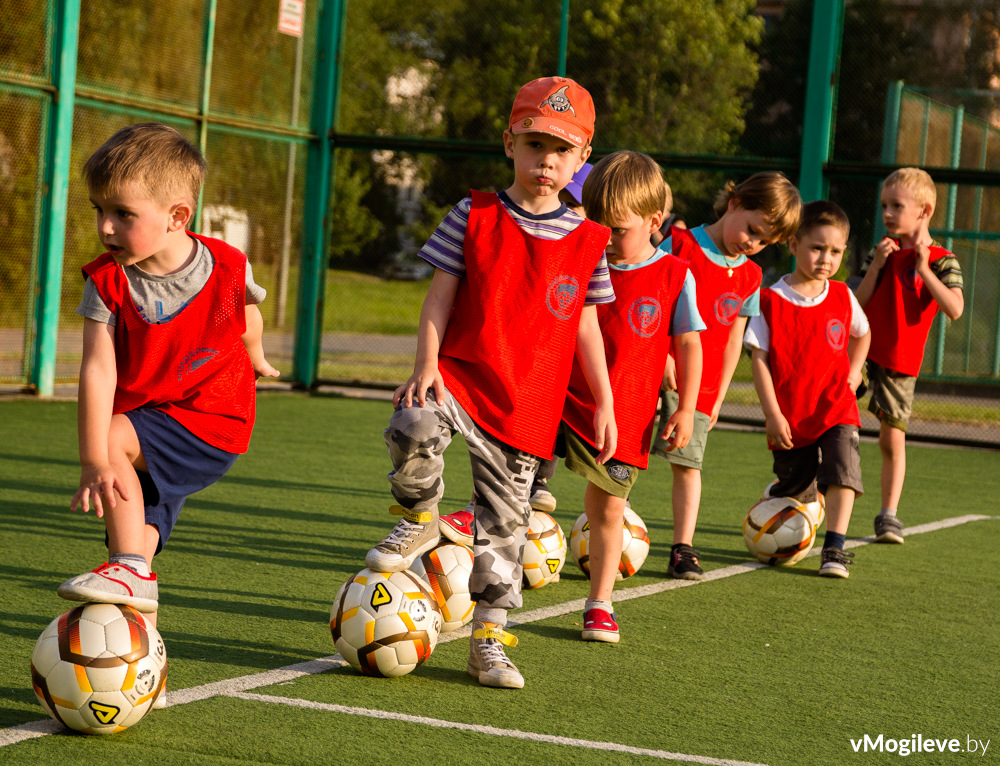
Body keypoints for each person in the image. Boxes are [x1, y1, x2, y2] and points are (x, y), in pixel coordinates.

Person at [365, 76, 617, 689]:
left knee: (505, 532)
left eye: (562, 149)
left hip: (528, 406)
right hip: (462, 380)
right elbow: (438, 299)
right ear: (509, 143)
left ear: (583, 159)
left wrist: (604, 400)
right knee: (412, 422)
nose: (546, 160)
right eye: (534, 144)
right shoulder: (472, 213)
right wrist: (426, 365)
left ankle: (488, 641)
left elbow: (586, 327)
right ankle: (422, 515)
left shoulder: (589, 241)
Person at [58, 123, 274, 713]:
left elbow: (246, 312)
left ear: (178, 216)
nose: (105, 227)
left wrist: (255, 356)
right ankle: (140, 644)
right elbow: (98, 371)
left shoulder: (228, 265)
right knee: (134, 523)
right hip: (153, 412)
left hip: (213, 418)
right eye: (99, 210)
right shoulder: (107, 284)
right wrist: (94, 460)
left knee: (114, 449)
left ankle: (132, 570)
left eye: (122, 214)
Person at [560, 151, 703, 641]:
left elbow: (688, 342)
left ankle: (599, 603)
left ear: (653, 221)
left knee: (608, 509)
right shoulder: (581, 257)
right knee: (512, 488)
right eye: (597, 226)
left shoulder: (675, 275)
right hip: (559, 397)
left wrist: (685, 406)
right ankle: (495, 572)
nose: (605, 239)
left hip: (628, 414)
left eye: (616, 230)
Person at [437, 161, 597, 548]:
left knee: (545, 424)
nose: (571, 209)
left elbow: (589, 326)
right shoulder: (497, 221)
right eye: (569, 202)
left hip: (563, 368)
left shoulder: (588, 246)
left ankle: (531, 485)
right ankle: (489, 504)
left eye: (578, 203)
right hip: (515, 366)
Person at [651, 171, 801, 579]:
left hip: (698, 391)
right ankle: (611, 523)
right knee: (623, 458)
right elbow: (653, 301)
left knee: (688, 466)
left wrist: (716, 399)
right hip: (647, 372)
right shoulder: (678, 244)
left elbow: (735, 340)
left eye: (764, 241)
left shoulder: (752, 276)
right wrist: (662, 359)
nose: (753, 243)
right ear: (734, 203)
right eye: (752, 230)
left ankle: (682, 547)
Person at [744, 201, 870, 577]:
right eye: (817, 248)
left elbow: (862, 335)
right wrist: (772, 414)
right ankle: (791, 493)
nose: (825, 258)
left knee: (842, 470)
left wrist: (855, 371)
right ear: (794, 244)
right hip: (792, 417)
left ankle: (834, 549)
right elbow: (759, 360)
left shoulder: (843, 296)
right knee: (795, 486)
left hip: (836, 408)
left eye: (834, 251)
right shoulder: (771, 301)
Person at [854, 168, 964, 544]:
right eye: (884, 205)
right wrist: (880, 266)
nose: (887, 213)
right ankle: (812, 494)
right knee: (836, 424)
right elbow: (859, 304)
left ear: (924, 211)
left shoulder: (942, 259)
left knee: (891, 440)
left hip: (901, 364)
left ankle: (888, 516)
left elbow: (954, 308)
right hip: (863, 353)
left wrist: (922, 269)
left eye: (896, 206)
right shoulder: (882, 251)